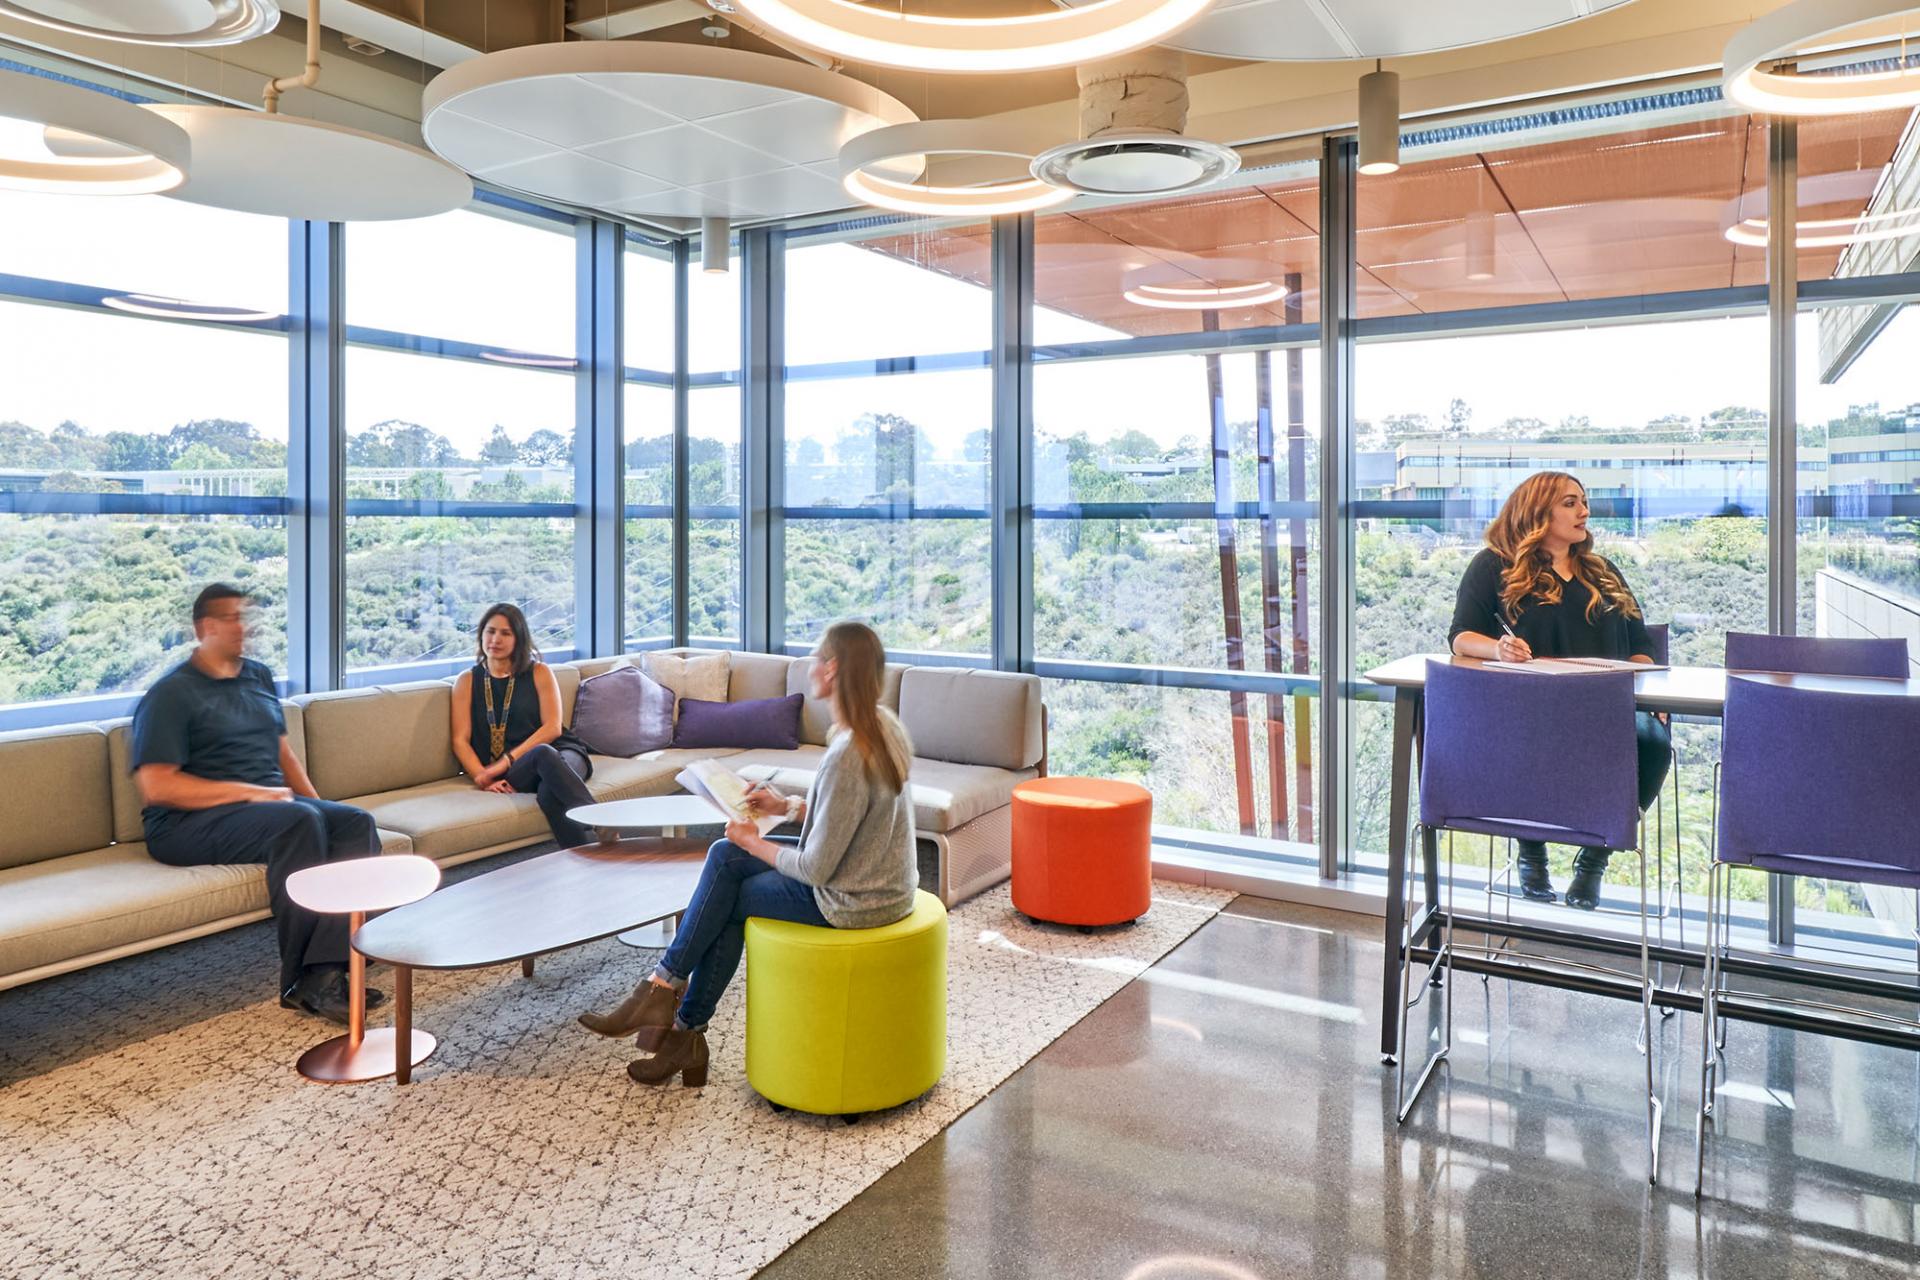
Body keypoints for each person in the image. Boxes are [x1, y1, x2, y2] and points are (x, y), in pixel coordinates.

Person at [578, 620, 919, 1088]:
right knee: (724, 858)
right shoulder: (881, 727)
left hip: (855, 899)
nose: (810, 667)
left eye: (817, 658)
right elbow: (849, 819)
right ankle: (670, 1008)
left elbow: (817, 867)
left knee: (729, 888)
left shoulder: (848, 752)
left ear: (833, 668)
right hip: (878, 882)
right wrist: (785, 806)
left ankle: (672, 1010)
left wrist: (752, 841)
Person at [133, 583, 384, 1023]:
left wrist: (322, 808)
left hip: (267, 808)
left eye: (246, 616)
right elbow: (157, 786)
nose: (243, 626)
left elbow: (283, 754)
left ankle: (324, 973)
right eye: (232, 618)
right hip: (185, 822)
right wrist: (251, 793)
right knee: (298, 823)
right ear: (204, 627)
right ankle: (296, 979)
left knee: (354, 822)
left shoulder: (259, 676)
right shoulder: (171, 694)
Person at [1447, 471, 1671, 911]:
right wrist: (1499, 648)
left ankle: (1596, 859)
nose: (1584, 511)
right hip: (1531, 715)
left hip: (1606, 714)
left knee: (1654, 744)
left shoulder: (1602, 571)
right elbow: (1459, 637)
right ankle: (1530, 849)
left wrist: (1652, 696)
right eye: (1570, 503)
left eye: (1584, 502)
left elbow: (1643, 648)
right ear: (1538, 510)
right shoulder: (1494, 565)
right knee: (1522, 745)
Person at [450, 603, 596, 850]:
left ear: (519, 639)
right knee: (542, 764)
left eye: (505, 633)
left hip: (562, 753)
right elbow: (459, 740)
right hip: (521, 771)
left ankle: (585, 862)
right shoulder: (466, 681)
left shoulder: (539, 672)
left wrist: (504, 762)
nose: (495, 639)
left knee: (549, 791)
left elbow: (552, 729)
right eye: (490, 631)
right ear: (481, 634)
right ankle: (601, 822)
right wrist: (481, 776)